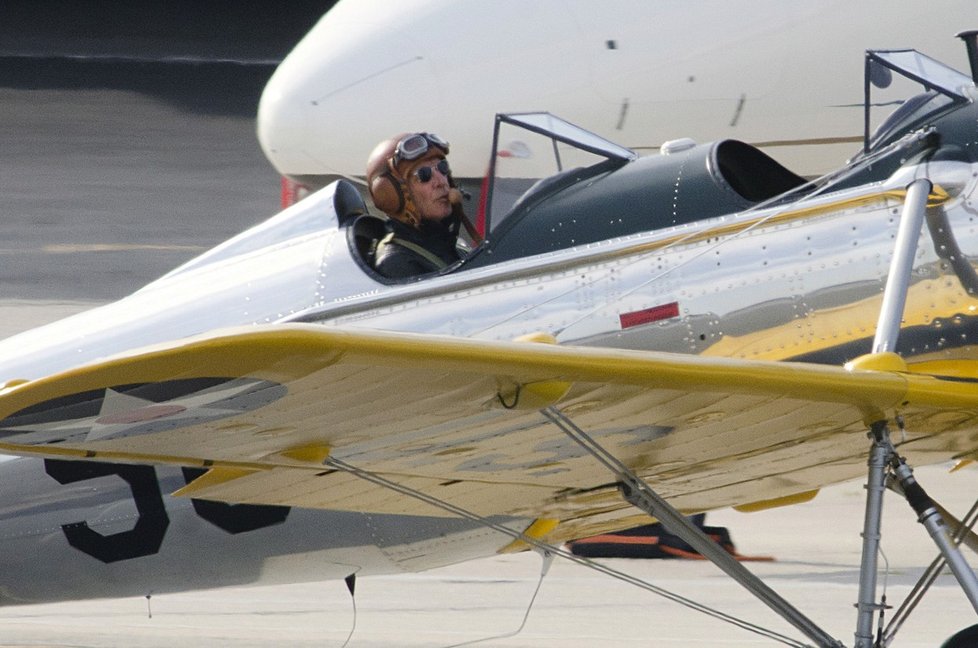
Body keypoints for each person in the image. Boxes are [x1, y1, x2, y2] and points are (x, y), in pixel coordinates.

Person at [365, 132, 475, 278]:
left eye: (442, 168)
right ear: (392, 195)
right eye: (424, 175)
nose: (441, 182)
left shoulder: (453, 244)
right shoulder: (398, 263)